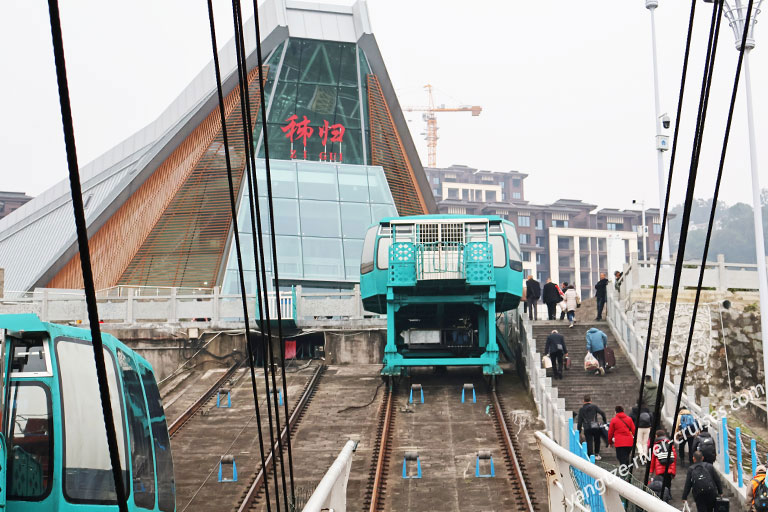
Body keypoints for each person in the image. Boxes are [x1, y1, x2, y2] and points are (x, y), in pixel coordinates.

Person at [577, 395, 607, 460]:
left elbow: (579, 421)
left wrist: (579, 431)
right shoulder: (594, 407)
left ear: (583, 401)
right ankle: (596, 454)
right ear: (591, 400)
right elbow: (602, 413)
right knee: (597, 440)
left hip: (587, 427)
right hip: (595, 425)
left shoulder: (581, 409)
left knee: (589, 441)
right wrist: (605, 421)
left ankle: (590, 455)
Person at [649, 429, 677, 496]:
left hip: (660, 470)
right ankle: (669, 495)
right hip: (669, 469)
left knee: (661, 485)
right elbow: (674, 457)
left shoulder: (656, 446)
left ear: (657, 436)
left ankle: (662, 497)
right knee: (668, 484)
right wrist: (674, 471)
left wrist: (651, 471)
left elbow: (652, 459)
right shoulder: (670, 444)